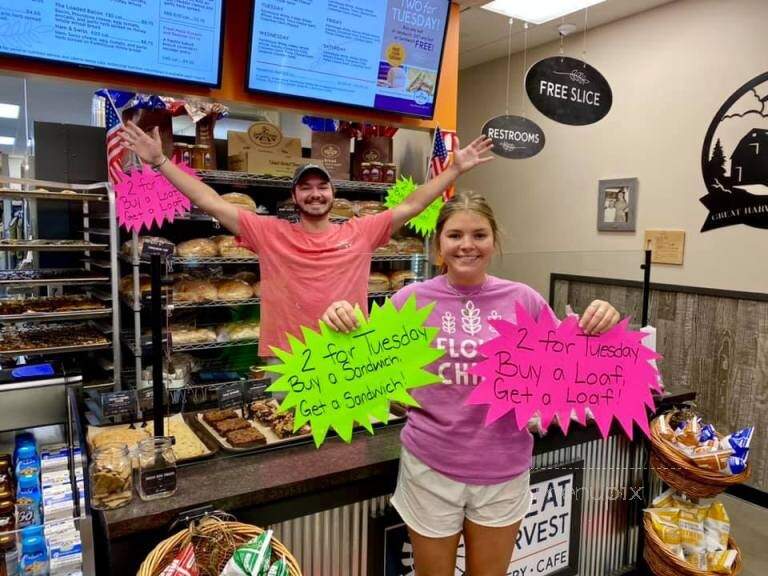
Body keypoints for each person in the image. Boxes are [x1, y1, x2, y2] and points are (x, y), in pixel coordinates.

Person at [323, 191, 619, 576]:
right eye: (455, 235)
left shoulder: (524, 300)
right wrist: (338, 323)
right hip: (430, 467)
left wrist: (603, 327)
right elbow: (366, 370)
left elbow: (565, 372)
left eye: (479, 235)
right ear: (439, 244)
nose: (467, 245)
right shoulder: (409, 300)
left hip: (504, 467)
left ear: (494, 240)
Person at [117, 122, 493, 356]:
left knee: (345, 454)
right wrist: (160, 162)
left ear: (332, 194)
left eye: (322, 186)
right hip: (287, 358)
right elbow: (207, 199)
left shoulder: (360, 232)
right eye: (306, 188)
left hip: (348, 353)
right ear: (293, 197)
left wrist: (454, 170)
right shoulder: (269, 233)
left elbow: (411, 205)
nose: (316, 194)